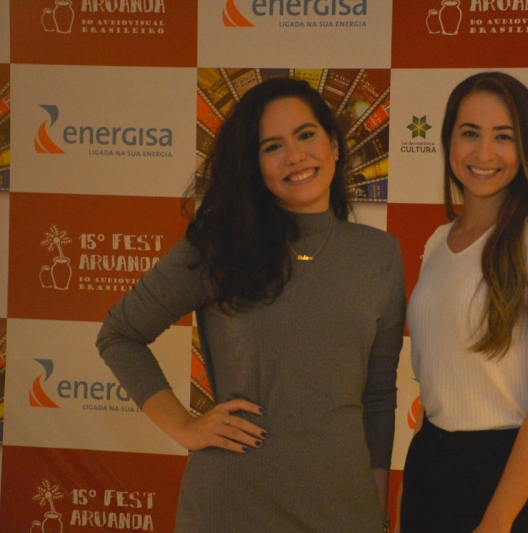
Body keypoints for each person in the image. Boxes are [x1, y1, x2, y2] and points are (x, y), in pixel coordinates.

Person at [97, 77, 405, 532]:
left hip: (344, 510)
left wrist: (374, 511)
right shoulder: (219, 246)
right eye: (272, 146)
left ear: (334, 144)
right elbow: (119, 335)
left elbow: (377, 397)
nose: (295, 156)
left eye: (305, 135)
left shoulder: (378, 254)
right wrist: (184, 426)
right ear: (254, 165)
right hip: (232, 507)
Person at [399, 72, 528, 532]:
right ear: (448, 140)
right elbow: (439, 385)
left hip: (518, 480)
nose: (484, 153)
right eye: (470, 133)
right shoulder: (436, 242)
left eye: (503, 137)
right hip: (434, 466)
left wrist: (498, 520)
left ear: (525, 148)